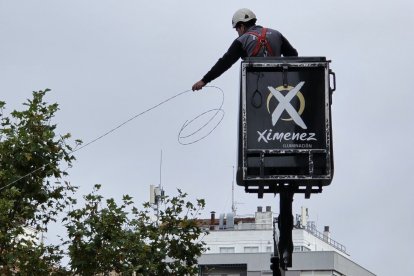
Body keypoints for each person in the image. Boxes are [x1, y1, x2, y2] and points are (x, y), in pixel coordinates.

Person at [192, 8, 298, 91]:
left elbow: (224, 62)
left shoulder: (242, 40)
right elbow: (293, 55)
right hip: (279, 85)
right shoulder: (276, 34)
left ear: (242, 26)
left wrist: (204, 80)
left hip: (256, 89)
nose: (237, 32)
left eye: (237, 29)